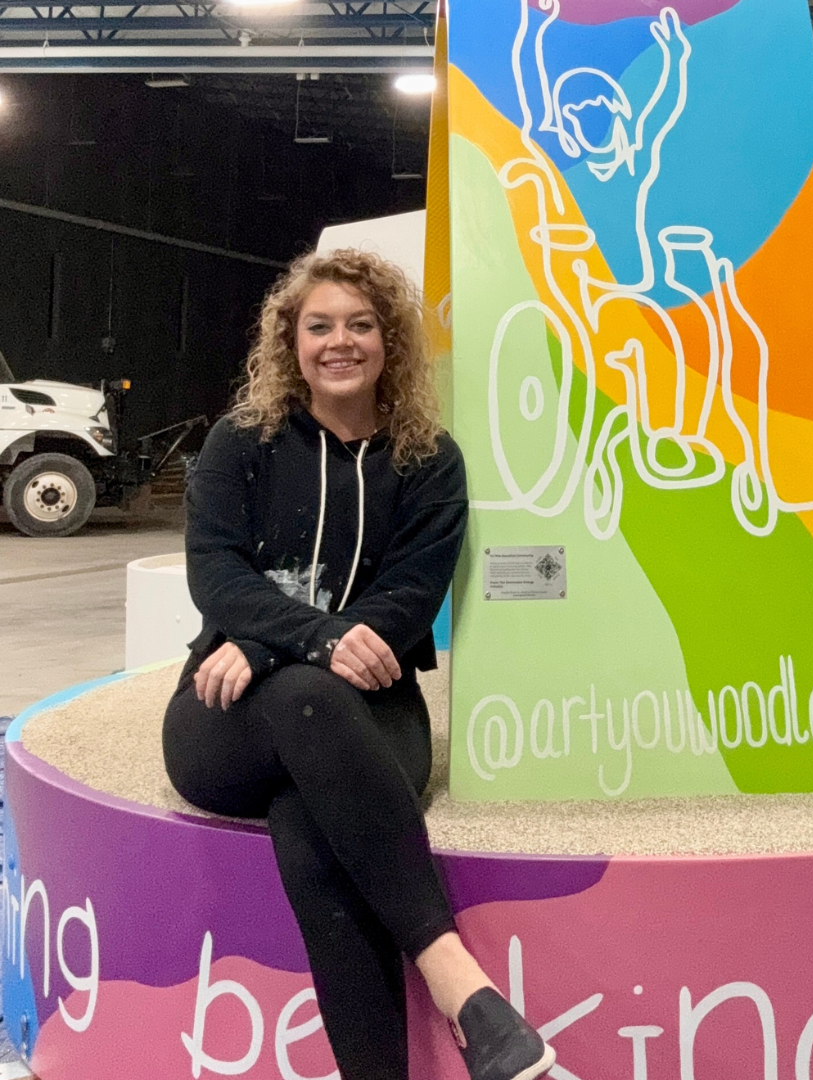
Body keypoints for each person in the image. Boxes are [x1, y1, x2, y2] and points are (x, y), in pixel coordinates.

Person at [161, 249, 555, 1080]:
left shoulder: (430, 461)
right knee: (304, 694)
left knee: (313, 832)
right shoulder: (244, 444)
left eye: (361, 324)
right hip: (229, 711)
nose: (340, 342)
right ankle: (464, 990)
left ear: (389, 342)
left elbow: (409, 599)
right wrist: (303, 640)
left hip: (374, 710)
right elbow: (216, 574)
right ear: (290, 342)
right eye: (319, 326)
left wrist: (274, 638)